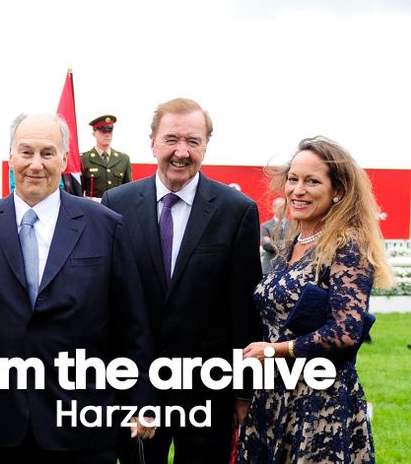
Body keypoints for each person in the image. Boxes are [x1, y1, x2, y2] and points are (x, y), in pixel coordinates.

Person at [0, 113, 155, 463]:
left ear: (65, 159)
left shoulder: (106, 226)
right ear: (12, 156)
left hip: (86, 418)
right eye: (26, 152)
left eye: (48, 153)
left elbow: (132, 324)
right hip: (9, 417)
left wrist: (141, 399)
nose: (36, 164)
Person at [101, 98, 262, 464]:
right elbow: (108, 299)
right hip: (134, 385)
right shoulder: (116, 203)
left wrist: (242, 393)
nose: (181, 152)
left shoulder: (236, 211)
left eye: (193, 141)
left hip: (208, 388)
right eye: (171, 139)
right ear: (152, 142)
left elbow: (243, 310)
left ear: (206, 145)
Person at [237, 137, 392, 463]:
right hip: (272, 395)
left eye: (312, 181)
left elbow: (345, 330)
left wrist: (277, 350)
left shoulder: (347, 243)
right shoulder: (292, 241)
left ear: (337, 191)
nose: (298, 189)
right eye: (293, 179)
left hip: (318, 402)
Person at [80, 114, 132, 199]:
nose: (107, 134)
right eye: (103, 131)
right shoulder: (84, 160)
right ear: (94, 133)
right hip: (93, 209)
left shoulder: (123, 159)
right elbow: (79, 191)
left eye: (109, 131)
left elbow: (128, 190)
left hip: (116, 208)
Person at [260, 196, 288, 275]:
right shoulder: (265, 226)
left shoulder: (294, 225)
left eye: (285, 207)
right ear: (274, 208)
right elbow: (267, 246)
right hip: (270, 267)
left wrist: (274, 242)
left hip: (288, 267)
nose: (283, 210)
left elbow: (295, 242)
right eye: (280, 207)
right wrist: (287, 243)